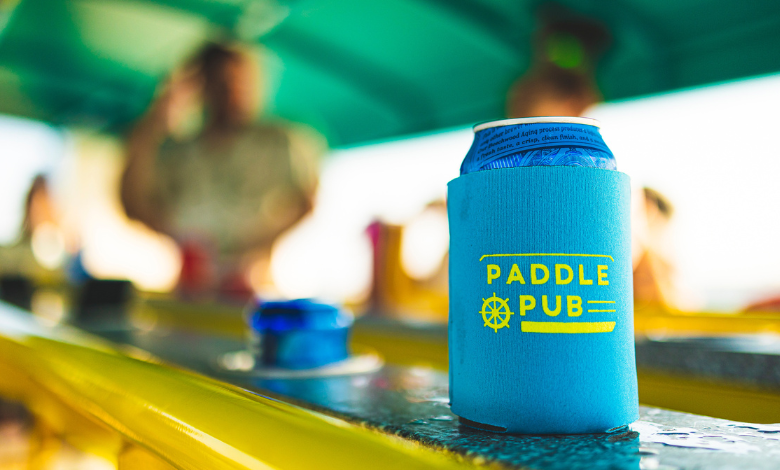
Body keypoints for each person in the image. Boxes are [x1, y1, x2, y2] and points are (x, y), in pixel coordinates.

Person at [121, 43, 321, 297]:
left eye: (241, 80)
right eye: (221, 81)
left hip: (254, 291)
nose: (234, 91)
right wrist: (156, 118)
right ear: (201, 85)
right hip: (189, 292)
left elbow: (307, 201)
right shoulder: (179, 153)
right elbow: (134, 205)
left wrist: (251, 255)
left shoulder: (280, 141)